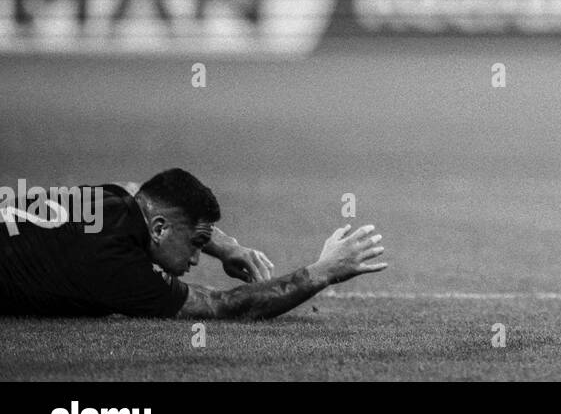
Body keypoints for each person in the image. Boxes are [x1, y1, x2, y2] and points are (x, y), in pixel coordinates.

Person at [0, 168, 386, 318]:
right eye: (196, 243)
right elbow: (223, 307)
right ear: (160, 229)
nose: (199, 258)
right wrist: (323, 272)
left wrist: (228, 246)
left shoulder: (111, 199)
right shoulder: (114, 261)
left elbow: (140, 188)